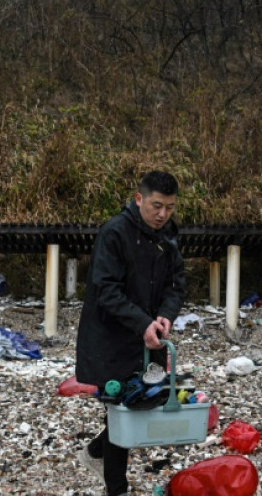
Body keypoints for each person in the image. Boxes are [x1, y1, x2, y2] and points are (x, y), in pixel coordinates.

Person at [75, 170, 187, 495]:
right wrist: (142, 324)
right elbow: (105, 290)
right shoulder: (114, 233)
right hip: (111, 336)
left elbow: (176, 283)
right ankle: (117, 488)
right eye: (156, 206)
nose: (162, 214)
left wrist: (165, 316)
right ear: (139, 199)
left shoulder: (168, 235)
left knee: (137, 405)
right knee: (122, 406)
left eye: (169, 207)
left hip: (150, 336)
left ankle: (96, 451)